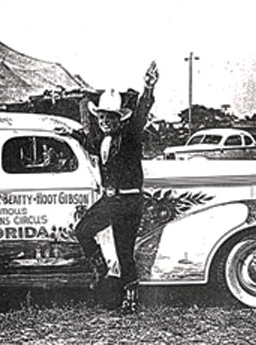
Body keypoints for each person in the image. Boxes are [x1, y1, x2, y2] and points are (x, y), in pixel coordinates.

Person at [55, 61, 159, 308]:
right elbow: (92, 146)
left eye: (109, 117)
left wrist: (148, 87)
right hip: (113, 201)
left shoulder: (130, 136)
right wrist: (71, 134)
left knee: (125, 252)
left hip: (128, 200)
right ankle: (102, 271)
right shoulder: (103, 140)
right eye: (101, 117)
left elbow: (142, 112)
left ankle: (130, 300)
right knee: (83, 231)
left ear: (119, 119)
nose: (104, 121)